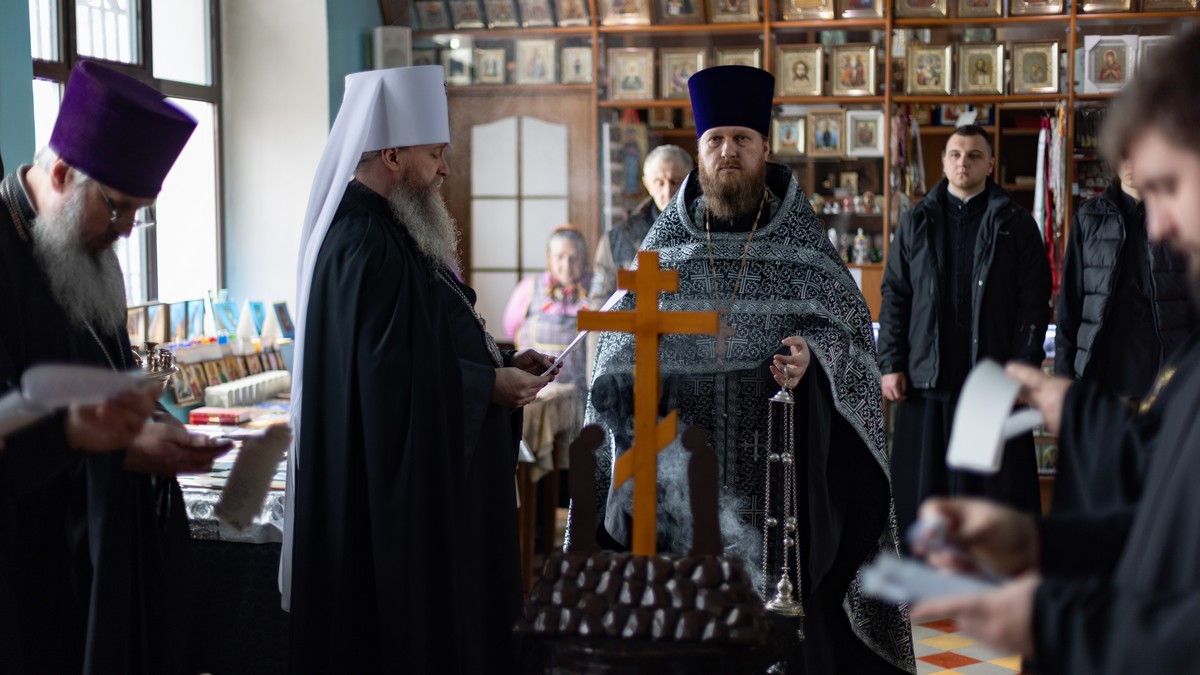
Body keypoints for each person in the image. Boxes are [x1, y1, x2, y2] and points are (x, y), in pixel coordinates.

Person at [586, 65, 914, 674]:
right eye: (715, 140)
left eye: (742, 139)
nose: (728, 151)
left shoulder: (806, 249)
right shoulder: (665, 247)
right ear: (699, 151)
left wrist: (814, 357)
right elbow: (616, 349)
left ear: (765, 147)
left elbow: (848, 341)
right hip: (682, 481)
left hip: (781, 487)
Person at [908, 28, 1200, 673]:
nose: (1157, 224)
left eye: (1172, 185)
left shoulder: (1012, 222)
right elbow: (1170, 519)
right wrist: (1036, 541)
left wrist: (1049, 617)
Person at [284, 65, 557, 673]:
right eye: (435, 154)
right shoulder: (362, 241)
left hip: (420, 484)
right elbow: (386, 383)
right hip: (386, 505)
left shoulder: (393, 227)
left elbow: (426, 342)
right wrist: (487, 385)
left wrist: (502, 360)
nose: (445, 169)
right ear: (391, 155)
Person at [0, 60, 228, 674]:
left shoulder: (84, 252)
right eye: (118, 208)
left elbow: (111, 372)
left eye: (139, 214)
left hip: (104, 562)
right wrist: (116, 449)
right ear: (61, 173)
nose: (126, 230)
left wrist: (155, 424)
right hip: (30, 576)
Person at [878, 125, 1050, 550]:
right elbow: (896, 295)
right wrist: (891, 363)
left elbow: (1034, 303)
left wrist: (1024, 370)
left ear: (990, 164)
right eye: (955, 154)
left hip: (993, 376)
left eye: (974, 155)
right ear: (943, 162)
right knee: (924, 490)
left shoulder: (1016, 224)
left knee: (994, 493)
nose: (963, 163)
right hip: (927, 375)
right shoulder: (916, 220)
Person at [589, 144, 693, 305]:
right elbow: (601, 301)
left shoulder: (709, 229)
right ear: (647, 185)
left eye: (675, 182)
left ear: (691, 181)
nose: (667, 191)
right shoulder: (620, 237)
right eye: (659, 182)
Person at [503, 225, 593, 386]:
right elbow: (510, 330)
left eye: (574, 258)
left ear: (584, 258)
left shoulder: (595, 291)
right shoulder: (530, 287)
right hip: (535, 390)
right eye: (559, 257)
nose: (566, 266)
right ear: (549, 258)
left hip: (581, 390)